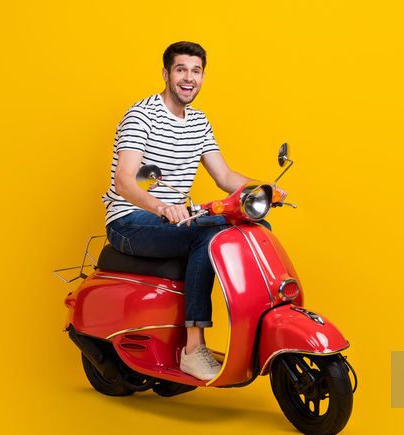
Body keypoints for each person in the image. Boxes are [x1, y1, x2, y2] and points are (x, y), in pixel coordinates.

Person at [102, 41, 286, 381]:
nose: (189, 78)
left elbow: (224, 176)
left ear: (203, 76)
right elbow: (125, 181)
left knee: (252, 229)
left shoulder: (199, 122)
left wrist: (263, 190)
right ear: (166, 74)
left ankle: (259, 328)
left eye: (196, 71)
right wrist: (161, 207)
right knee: (208, 235)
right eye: (181, 69)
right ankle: (192, 349)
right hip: (130, 221)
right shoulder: (141, 115)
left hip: (176, 218)